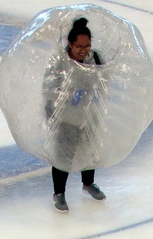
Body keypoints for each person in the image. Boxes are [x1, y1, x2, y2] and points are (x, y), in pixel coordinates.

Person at [44, 17, 108, 213]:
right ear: (70, 44)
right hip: (66, 118)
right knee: (64, 154)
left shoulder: (95, 58)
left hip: (88, 115)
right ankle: (59, 193)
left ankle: (88, 184)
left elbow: (105, 80)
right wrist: (65, 94)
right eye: (79, 46)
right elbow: (48, 89)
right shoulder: (60, 63)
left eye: (87, 45)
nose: (84, 50)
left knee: (89, 150)